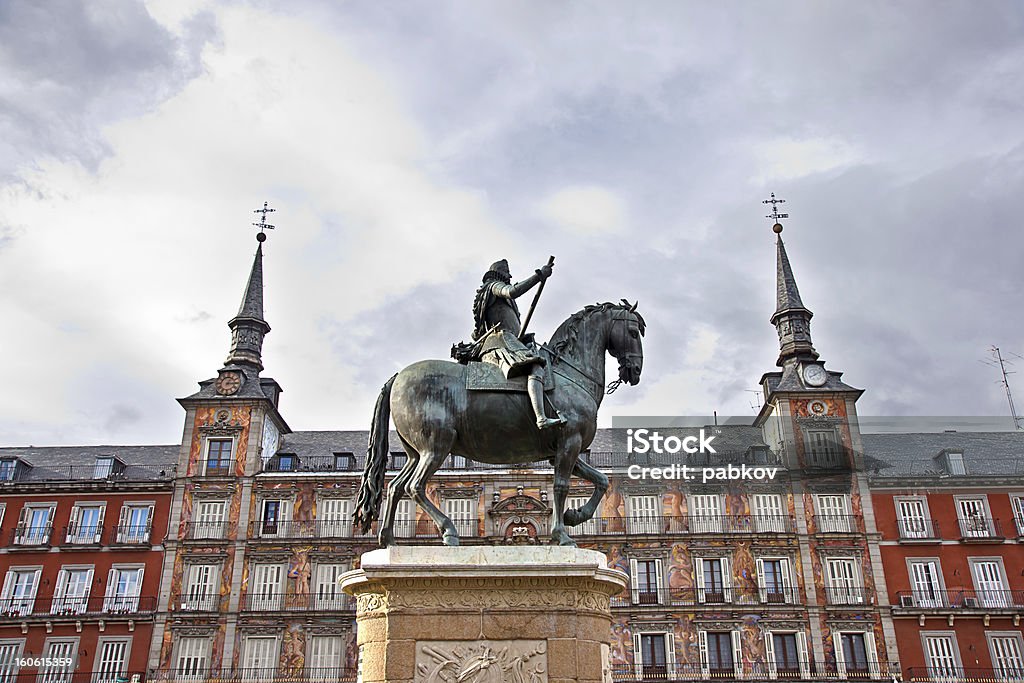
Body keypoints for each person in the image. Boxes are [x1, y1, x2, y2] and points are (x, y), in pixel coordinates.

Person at [472, 259, 565, 429]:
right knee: (536, 367)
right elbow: (513, 291)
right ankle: (541, 418)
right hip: (501, 341)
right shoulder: (493, 286)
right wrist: (539, 276)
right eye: (507, 272)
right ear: (499, 273)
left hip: (512, 341)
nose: (510, 275)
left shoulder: (499, 296)